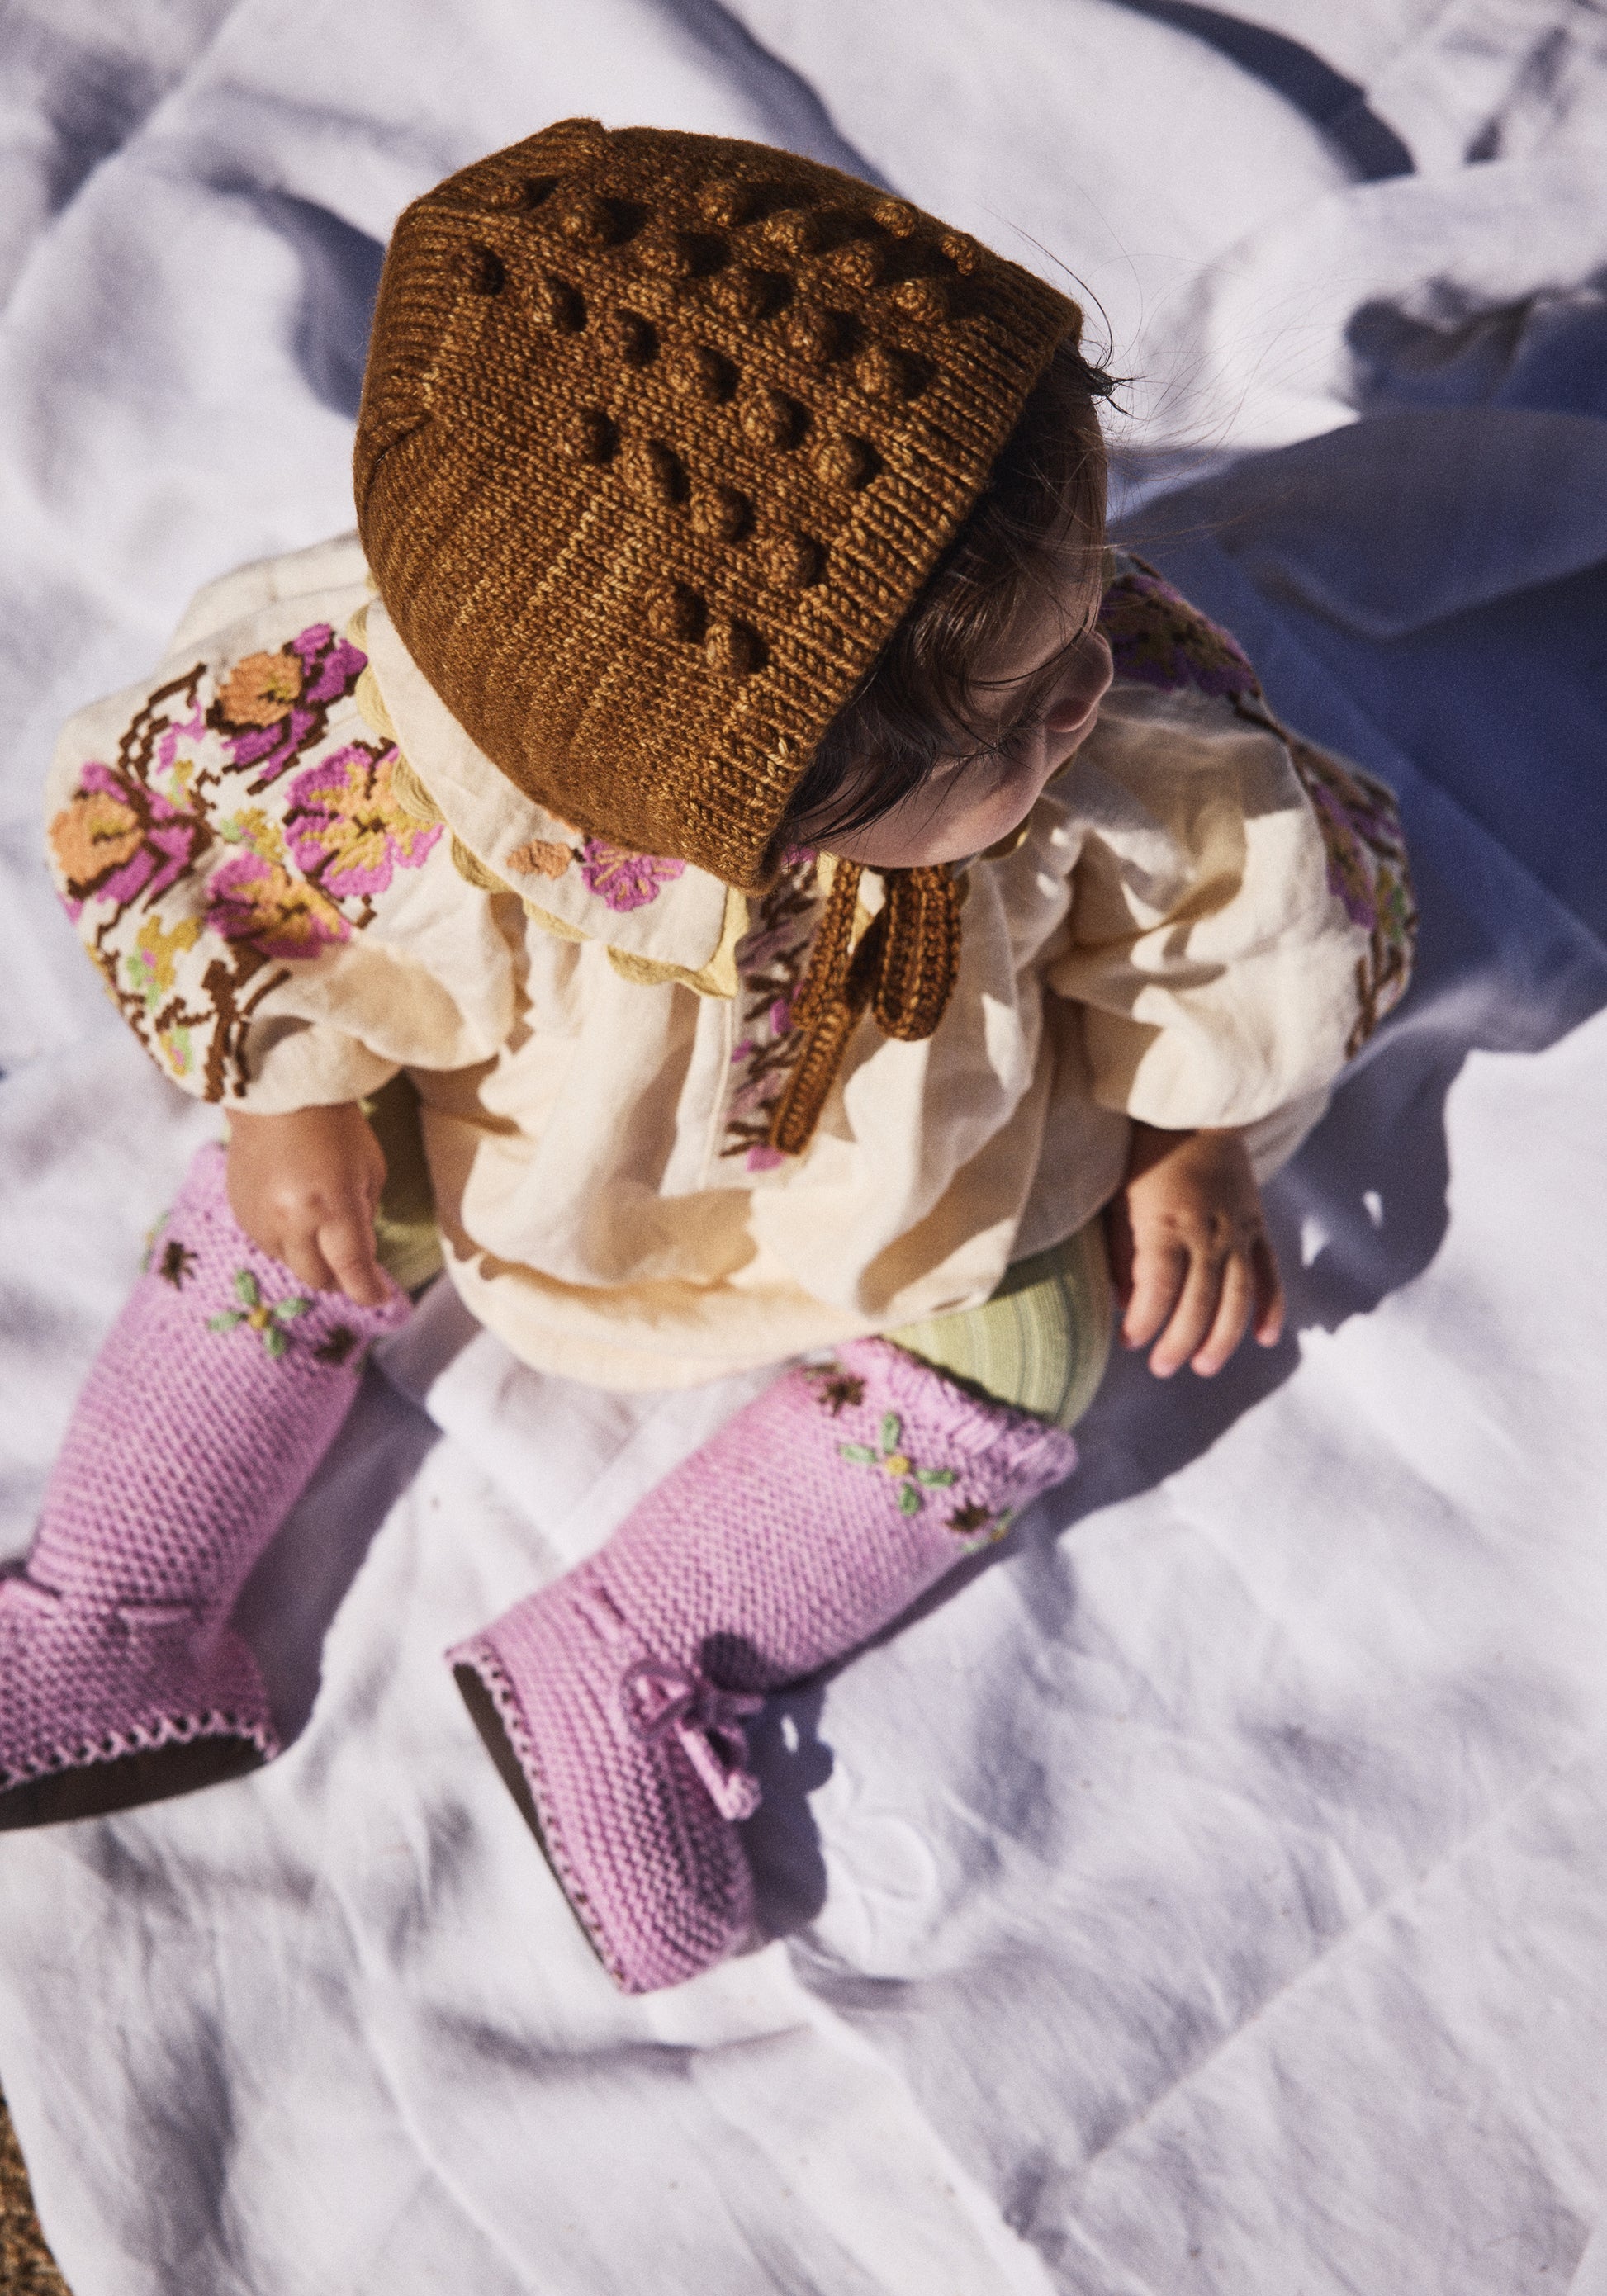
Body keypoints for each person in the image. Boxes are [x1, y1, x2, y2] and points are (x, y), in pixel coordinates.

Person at [2, 121, 1414, 1990]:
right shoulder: (418, 768)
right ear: (734, 814)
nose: (1095, 683)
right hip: (530, 1121)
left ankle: (636, 1651)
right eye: (1021, 710)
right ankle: (111, 1599)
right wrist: (289, 1094)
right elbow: (213, 852)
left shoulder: (1114, 728)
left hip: (930, 1153)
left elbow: (1238, 907)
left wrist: (1191, 1134)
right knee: (311, 1202)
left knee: (1032, 1348)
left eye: (1085, 593)